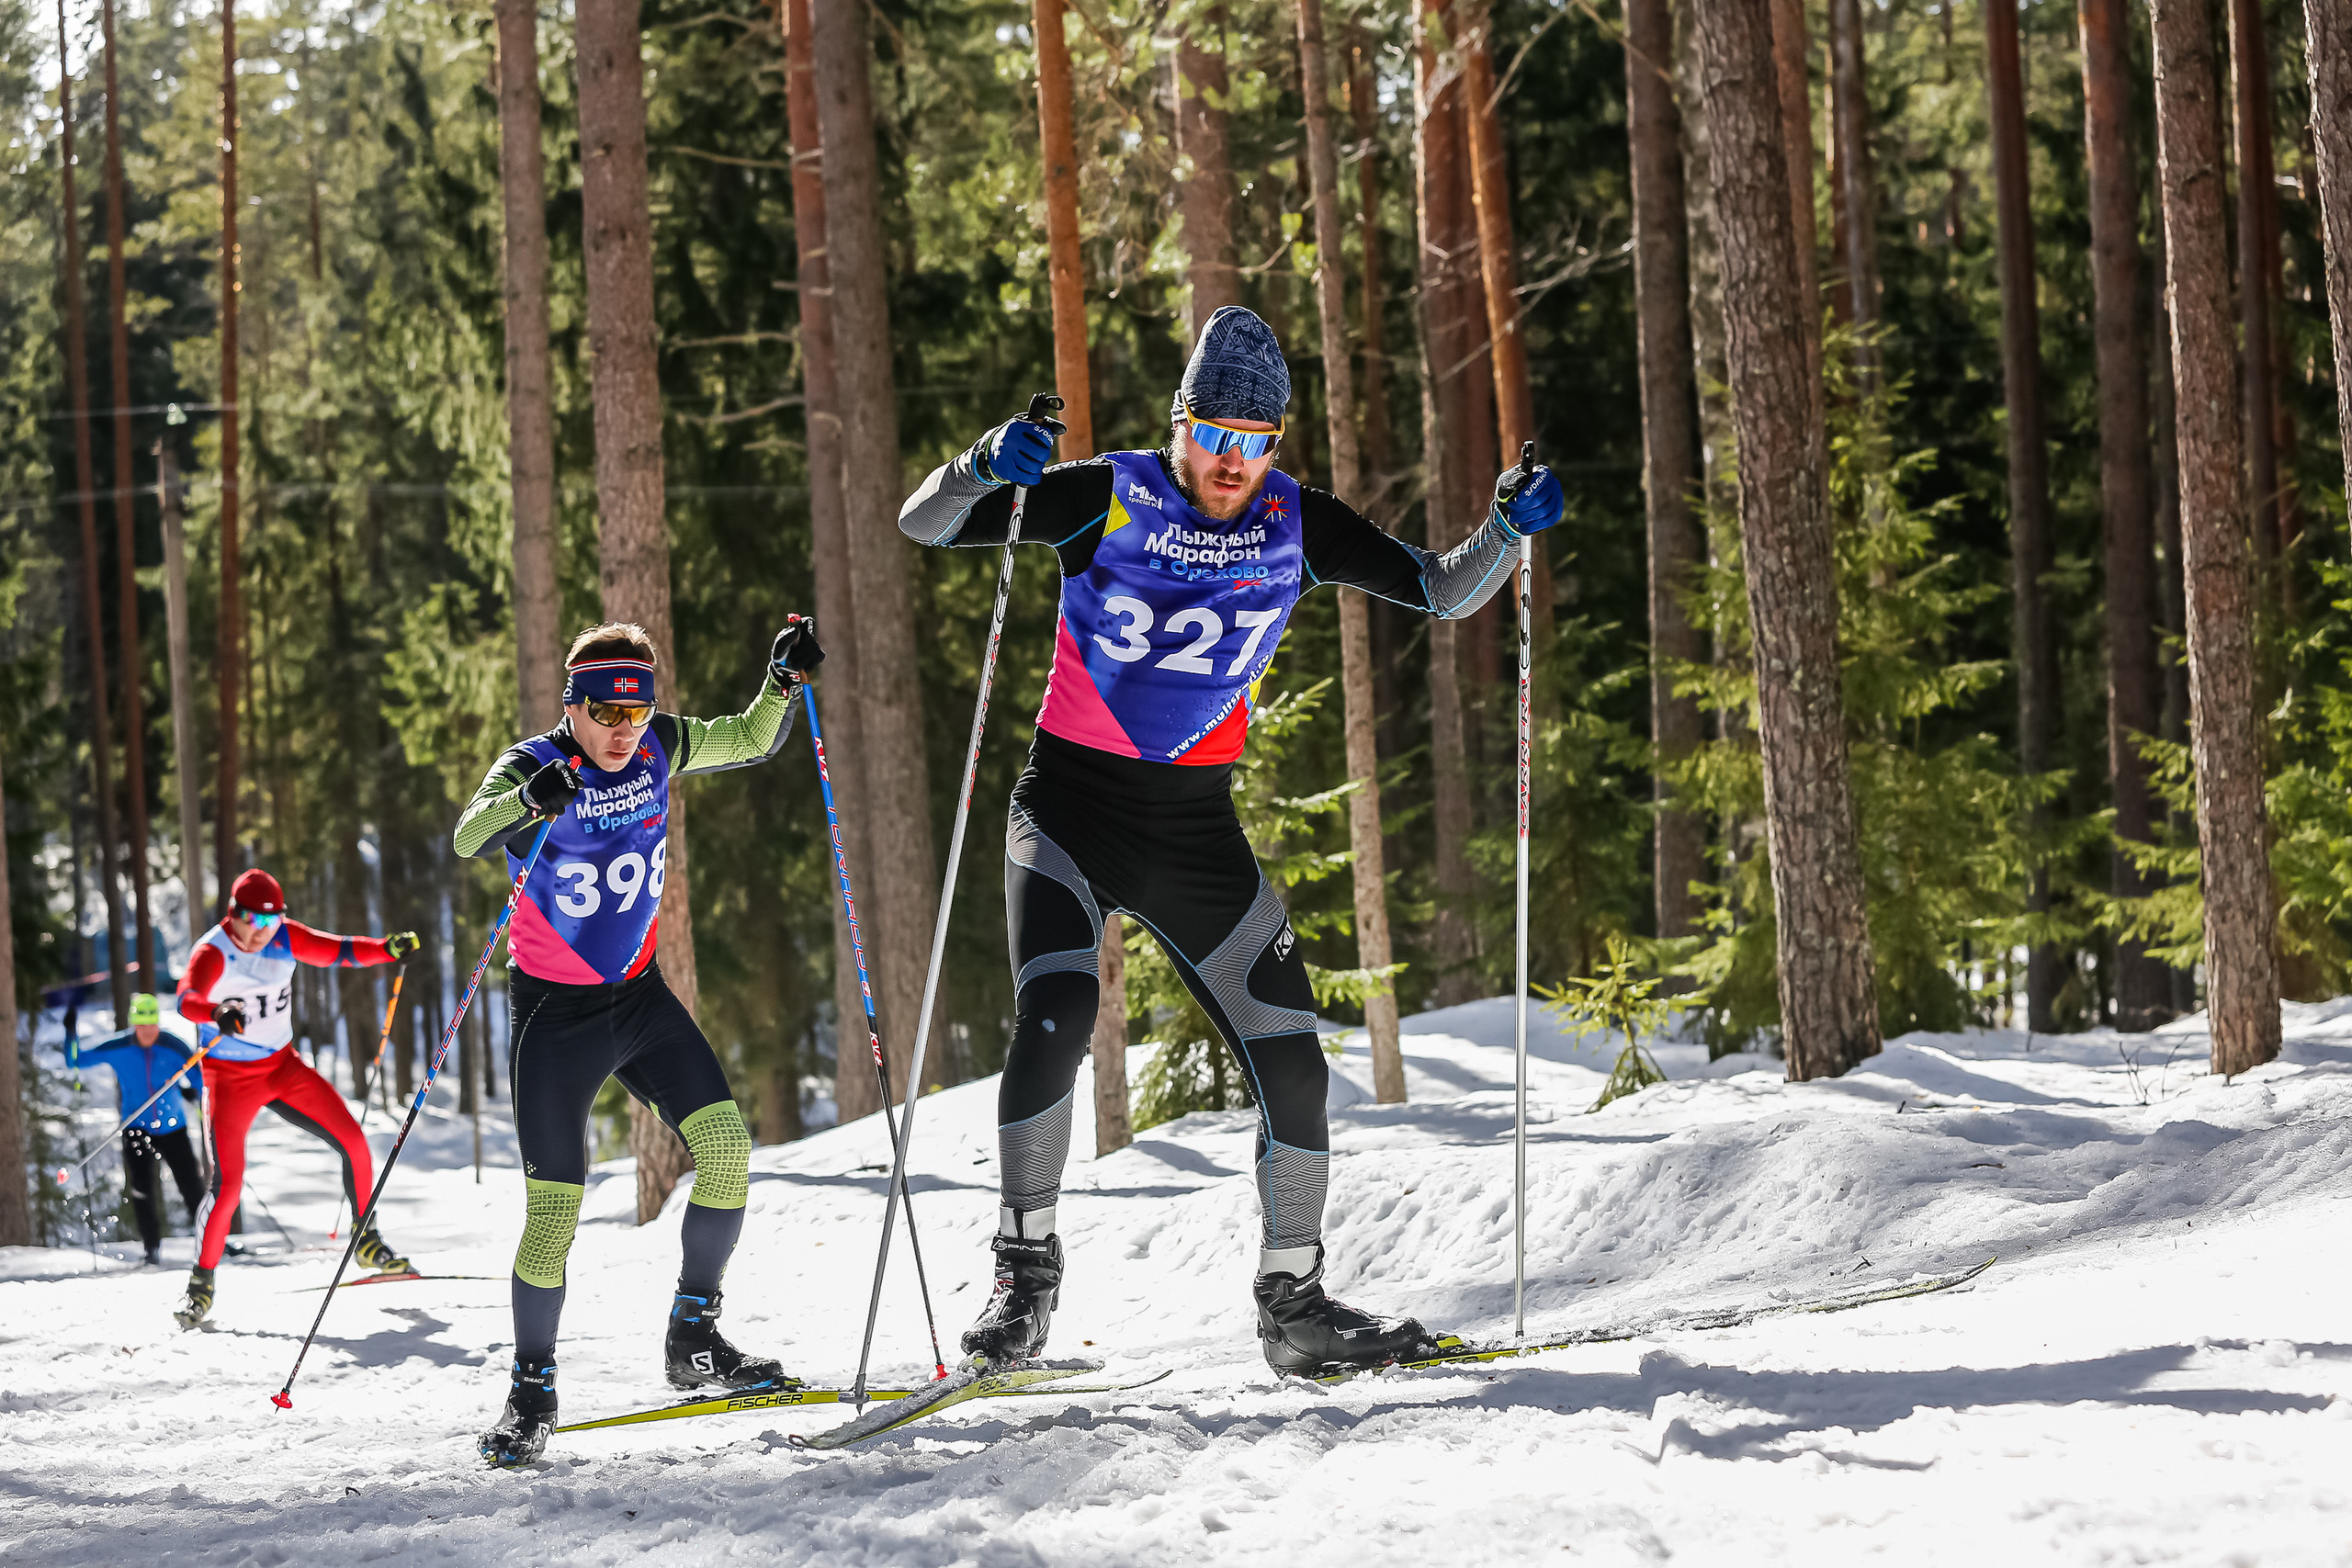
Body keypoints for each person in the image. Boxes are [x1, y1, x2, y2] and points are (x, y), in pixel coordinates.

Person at [897, 306, 1566, 1376]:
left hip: (1193, 828)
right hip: (1068, 811)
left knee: (1294, 1066)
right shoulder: (1103, 493)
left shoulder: (1299, 521)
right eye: (1214, 436)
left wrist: (1507, 530)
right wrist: (980, 466)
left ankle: (1292, 1304)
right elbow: (925, 525)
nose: (1231, 463)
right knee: (1056, 1020)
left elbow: (1442, 590)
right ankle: (1023, 1282)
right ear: (1182, 422)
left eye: (1256, 444)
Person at [453, 616, 824, 1467]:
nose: (624, 728)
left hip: (641, 996)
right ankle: (530, 1390)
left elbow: (748, 737)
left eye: (637, 708)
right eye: (606, 711)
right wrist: (527, 802)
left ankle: (694, 1336)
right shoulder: (533, 762)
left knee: (727, 1148)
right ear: (572, 706)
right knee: (555, 1212)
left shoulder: (657, 742)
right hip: (556, 1015)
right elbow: (470, 836)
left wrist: (781, 681)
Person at [174, 868, 422, 1328]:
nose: (263, 933)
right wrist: (216, 1011)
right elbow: (186, 997)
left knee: (353, 1141)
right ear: (234, 915)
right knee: (227, 1186)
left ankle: (365, 1240)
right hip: (229, 1078)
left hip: (283, 1067)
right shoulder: (214, 951)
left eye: (273, 922)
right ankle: (201, 1285)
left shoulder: (282, 937)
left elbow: (339, 951)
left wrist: (386, 949)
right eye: (255, 922)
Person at [67, 992, 207, 1266]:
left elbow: (201, 1078)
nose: (146, 1031)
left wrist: (191, 1092)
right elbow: (76, 1061)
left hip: (172, 1127)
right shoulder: (119, 1047)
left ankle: (213, 1243)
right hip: (136, 1128)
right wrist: (70, 1030)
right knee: (142, 1190)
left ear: (157, 1023)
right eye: (141, 1025)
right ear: (133, 1024)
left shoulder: (173, 1046)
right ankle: (151, 1249)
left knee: (192, 1188)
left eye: (151, 1024)